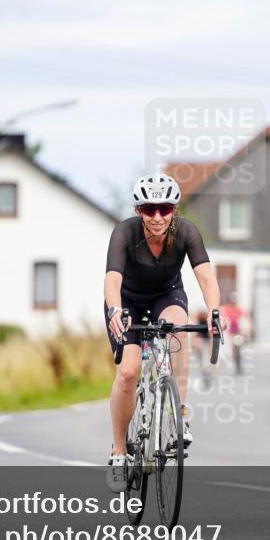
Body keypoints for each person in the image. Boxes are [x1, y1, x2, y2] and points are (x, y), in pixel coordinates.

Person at [103, 173, 220, 492]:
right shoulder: (124, 232)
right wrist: (115, 310)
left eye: (165, 209)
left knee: (178, 335)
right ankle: (119, 451)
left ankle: (178, 415)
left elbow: (207, 278)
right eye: (149, 209)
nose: (157, 217)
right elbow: (112, 280)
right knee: (128, 373)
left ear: (174, 210)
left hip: (167, 296)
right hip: (126, 302)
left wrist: (212, 311)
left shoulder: (186, 232)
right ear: (138, 210)